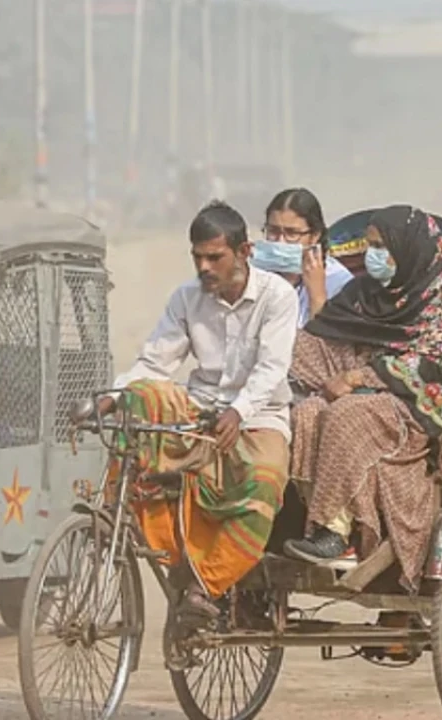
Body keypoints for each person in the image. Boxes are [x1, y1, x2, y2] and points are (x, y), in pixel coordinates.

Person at [97, 201, 299, 621]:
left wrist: (240, 412)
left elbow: (272, 368)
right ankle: (124, 522)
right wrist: (115, 395)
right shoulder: (187, 297)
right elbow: (155, 363)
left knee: (264, 483)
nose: (204, 266)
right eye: (197, 257)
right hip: (202, 408)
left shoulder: (277, 297)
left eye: (214, 257)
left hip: (261, 417)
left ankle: (205, 584)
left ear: (244, 252)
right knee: (143, 400)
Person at [282, 205, 442, 589]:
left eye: (381, 246)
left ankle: (337, 533)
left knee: (347, 414)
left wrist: (358, 377)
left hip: (413, 406)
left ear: (407, 250)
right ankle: (314, 521)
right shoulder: (367, 293)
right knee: (306, 411)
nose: (373, 255)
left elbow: (437, 365)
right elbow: (327, 334)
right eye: (369, 245)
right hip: (360, 391)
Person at [251, 188, 355, 326]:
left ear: (314, 236)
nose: (280, 241)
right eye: (273, 231)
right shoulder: (255, 270)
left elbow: (328, 342)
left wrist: (317, 295)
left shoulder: (338, 280)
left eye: (292, 233)